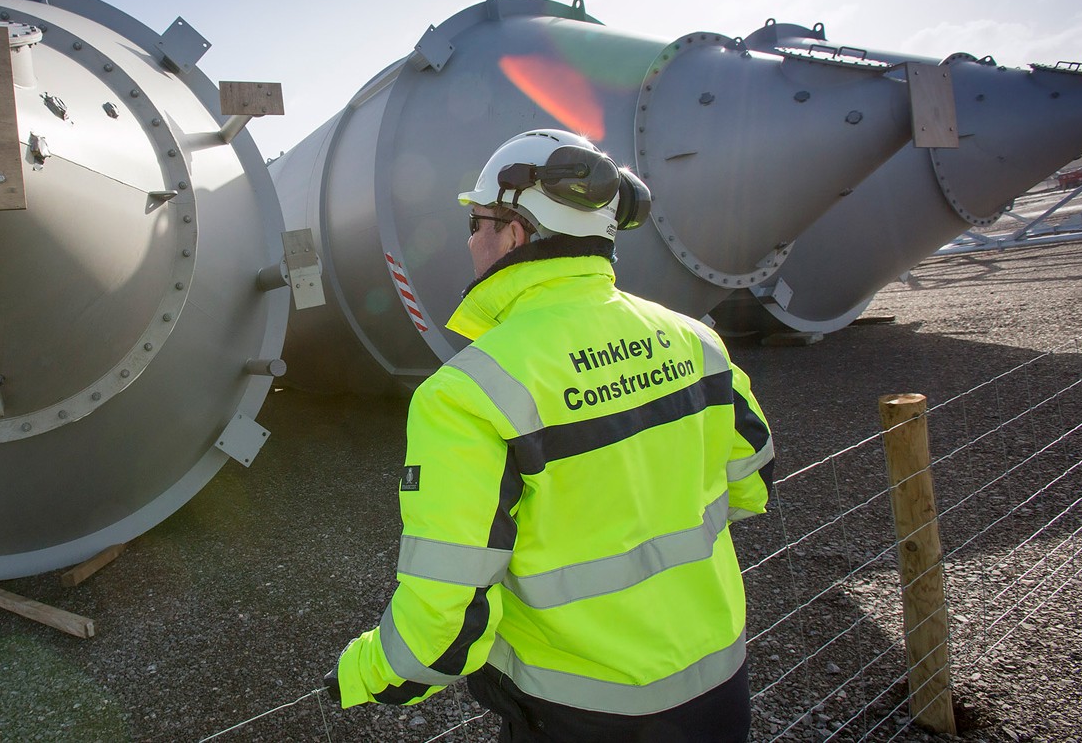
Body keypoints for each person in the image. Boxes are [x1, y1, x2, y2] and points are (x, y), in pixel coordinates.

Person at [324, 129, 775, 741]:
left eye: (477, 223)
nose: (471, 241)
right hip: (718, 679)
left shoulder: (467, 392)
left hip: (581, 708)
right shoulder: (696, 341)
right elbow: (752, 482)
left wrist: (366, 672)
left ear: (515, 234)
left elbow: (445, 616)